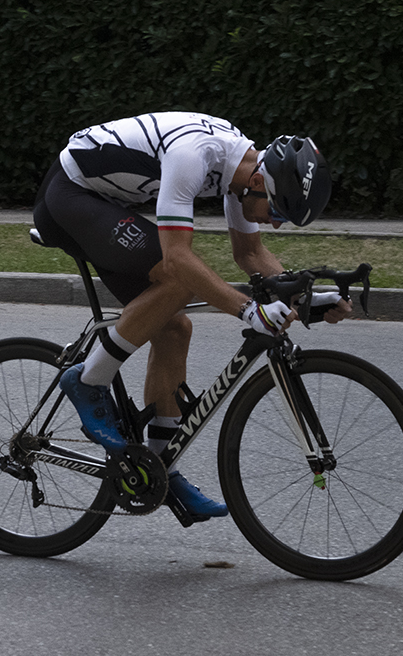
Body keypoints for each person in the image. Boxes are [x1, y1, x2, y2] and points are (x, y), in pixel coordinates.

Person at [33, 112, 351, 521]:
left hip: (107, 204)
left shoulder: (243, 173)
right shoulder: (194, 154)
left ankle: (162, 468)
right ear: (260, 182)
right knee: (178, 279)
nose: (274, 222)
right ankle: (88, 380)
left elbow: (250, 256)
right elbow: (178, 258)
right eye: (277, 211)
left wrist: (309, 300)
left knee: (174, 325)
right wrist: (247, 310)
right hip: (69, 197)